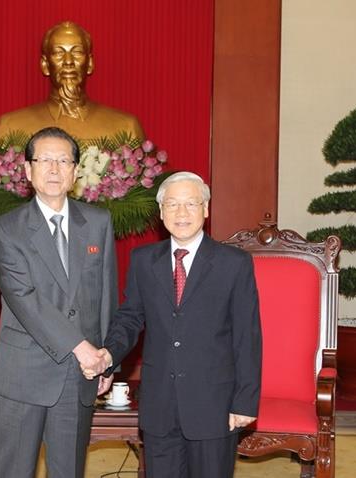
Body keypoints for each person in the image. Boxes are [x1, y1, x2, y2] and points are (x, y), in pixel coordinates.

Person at [92, 172, 262, 477]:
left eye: (190, 204)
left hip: (213, 404)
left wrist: (245, 401)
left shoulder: (233, 263)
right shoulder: (144, 260)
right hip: (159, 403)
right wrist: (108, 355)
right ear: (161, 212)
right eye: (172, 204)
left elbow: (247, 336)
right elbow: (130, 317)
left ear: (206, 209)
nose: (181, 212)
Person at [0, 126, 115, 478]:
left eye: (63, 161)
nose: (55, 169)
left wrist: (106, 360)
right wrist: (83, 348)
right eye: (45, 160)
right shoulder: (6, 228)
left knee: (69, 471)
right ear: (28, 170)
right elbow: (24, 299)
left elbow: (105, 293)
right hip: (23, 373)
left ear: (76, 172)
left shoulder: (98, 222)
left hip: (79, 375)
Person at [0, 21, 145, 142]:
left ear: (90, 63)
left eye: (77, 52)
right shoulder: (9, 127)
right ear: (45, 65)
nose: (68, 61)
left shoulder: (126, 128)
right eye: (58, 53)